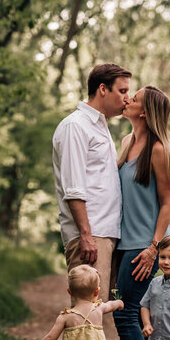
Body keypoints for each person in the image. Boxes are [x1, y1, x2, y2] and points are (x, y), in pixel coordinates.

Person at [103, 85, 170, 340]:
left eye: (133, 98)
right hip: (124, 243)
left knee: (126, 313)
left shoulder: (159, 149)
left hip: (145, 247)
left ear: (144, 112)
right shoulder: (126, 142)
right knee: (135, 315)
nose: (127, 99)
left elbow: (168, 202)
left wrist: (153, 249)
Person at [52, 63, 132, 303]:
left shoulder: (100, 126)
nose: (127, 99)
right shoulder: (76, 126)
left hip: (104, 234)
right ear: (103, 89)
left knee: (94, 319)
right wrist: (86, 235)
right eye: (122, 91)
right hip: (91, 236)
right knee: (86, 317)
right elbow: (73, 187)